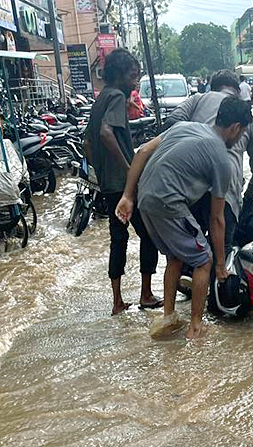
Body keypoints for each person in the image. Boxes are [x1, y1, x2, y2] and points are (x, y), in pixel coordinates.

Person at [116, 97, 253, 339]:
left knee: (176, 257)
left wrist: (128, 196)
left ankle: (168, 318)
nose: (239, 138)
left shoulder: (185, 127)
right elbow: (217, 219)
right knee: (203, 260)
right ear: (234, 128)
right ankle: (196, 327)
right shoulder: (222, 158)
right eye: (241, 132)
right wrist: (220, 265)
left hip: (144, 198)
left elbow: (143, 151)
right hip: (168, 201)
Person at [83, 48, 161, 315]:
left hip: (108, 185)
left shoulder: (101, 97)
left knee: (118, 239)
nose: (135, 81)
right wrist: (130, 171)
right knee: (149, 235)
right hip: (125, 186)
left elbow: (87, 144)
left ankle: (117, 301)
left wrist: (102, 172)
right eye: (133, 75)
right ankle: (146, 294)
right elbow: (105, 133)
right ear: (120, 75)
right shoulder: (116, 96)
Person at [162, 69, 253, 257]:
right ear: (236, 90)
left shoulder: (197, 99)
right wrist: (248, 196)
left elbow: (172, 121)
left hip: (190, 189)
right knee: (223, 253)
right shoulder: (245, 116)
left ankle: (190, 280)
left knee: (188, 251)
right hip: (226, 192)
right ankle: (220, 280)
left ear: (212, 87)